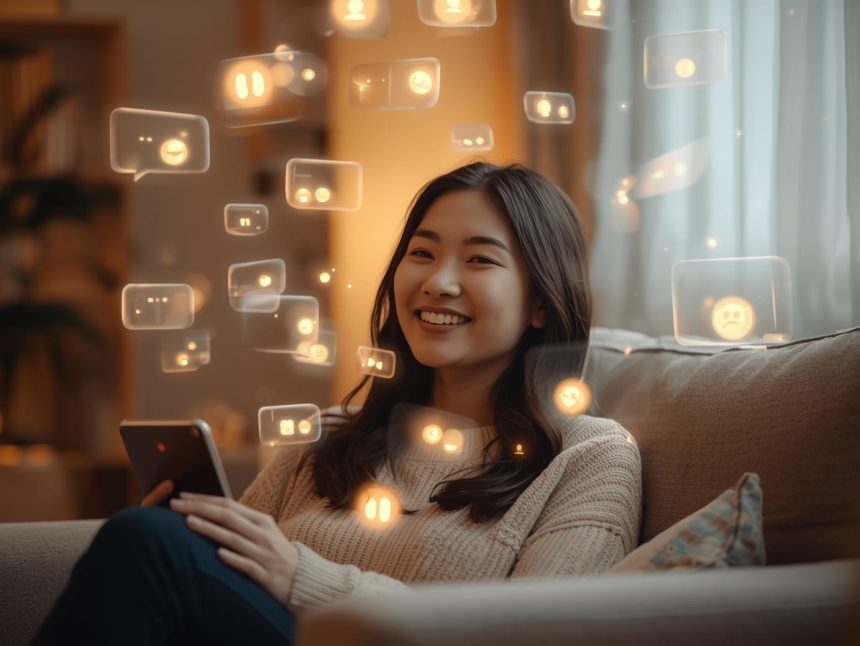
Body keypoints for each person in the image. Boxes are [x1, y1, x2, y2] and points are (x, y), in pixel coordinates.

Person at [34, 162, 641, 644]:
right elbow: (232, 578)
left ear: (541, 302)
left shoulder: (589, 457)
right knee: (155, 538)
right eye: (422, 253)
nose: (438, 281)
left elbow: (538, 633)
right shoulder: (331, 436)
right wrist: (198, 534)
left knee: (147, 542)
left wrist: (302, 576)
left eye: (480, 259)